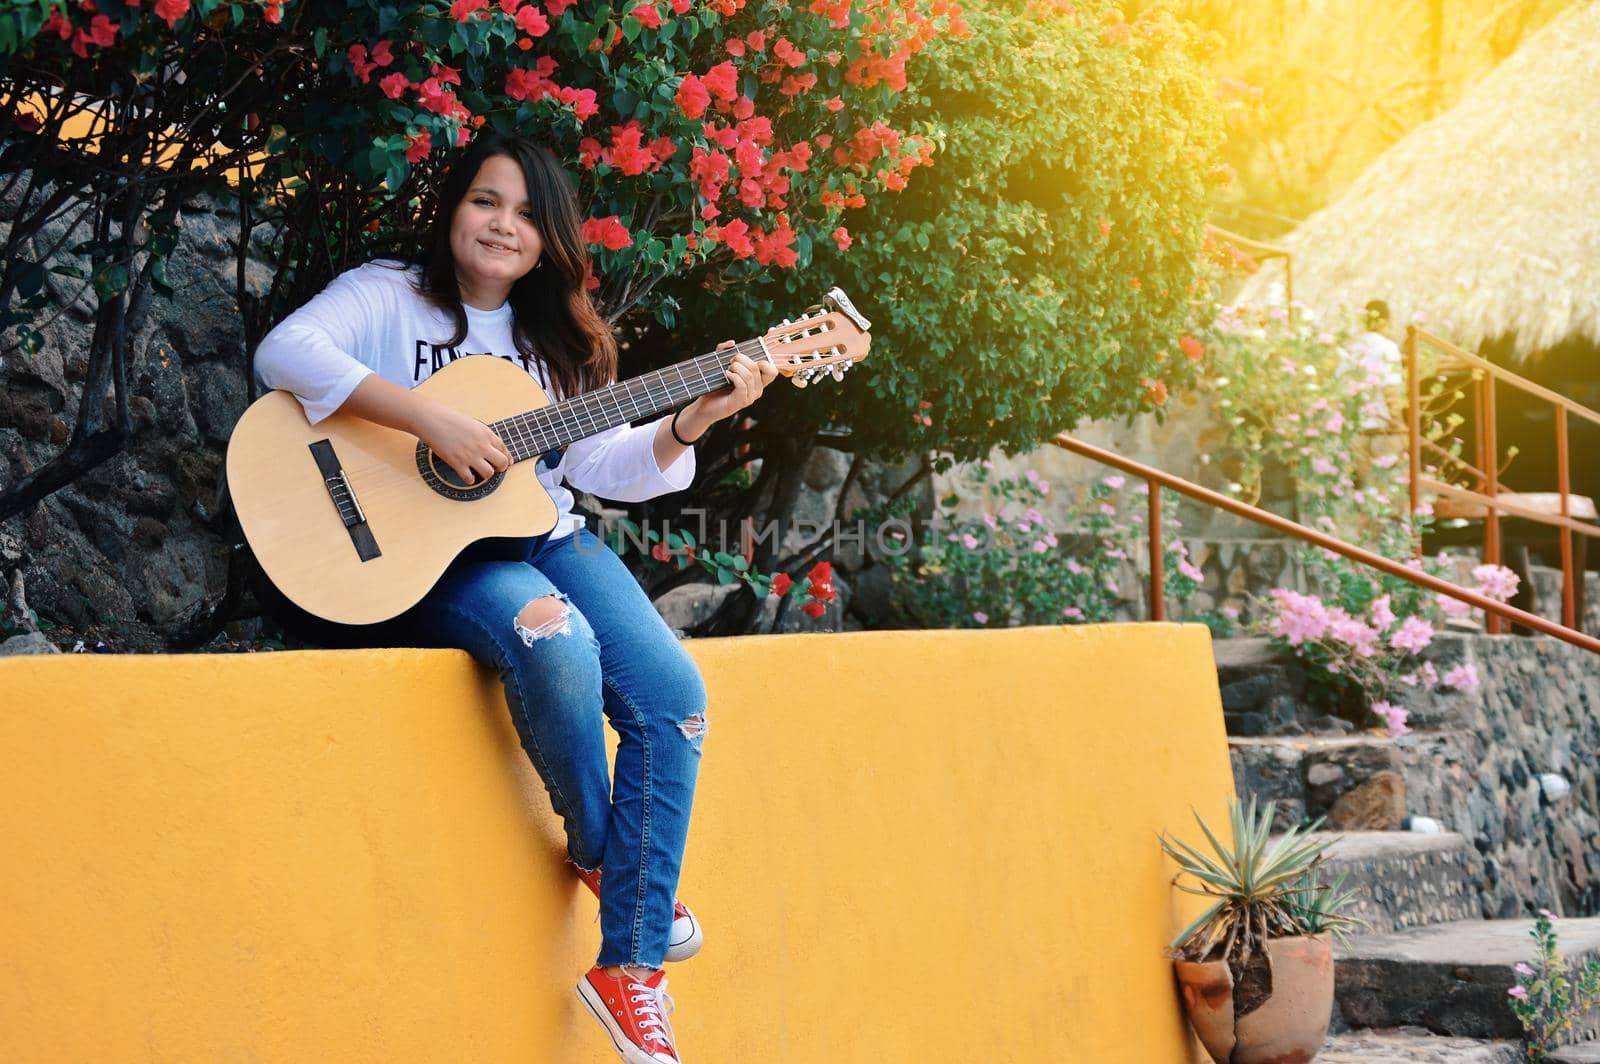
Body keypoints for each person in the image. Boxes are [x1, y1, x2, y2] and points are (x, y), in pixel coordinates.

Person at [253, 131, 776, 1064]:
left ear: (549, 241)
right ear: (454, 208)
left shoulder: (554, 341)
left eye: (529, 215)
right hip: (422, 556)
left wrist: (695, 418)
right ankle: (604, 854)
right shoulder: (389, 295)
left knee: (674, 700)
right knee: (553, 639)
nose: (504, 226)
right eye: (487, 202)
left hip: (539, 533)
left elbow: (602, 466)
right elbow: (285, 352)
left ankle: (630, 974)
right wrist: (425, 417)